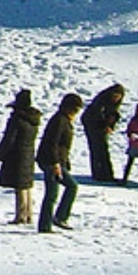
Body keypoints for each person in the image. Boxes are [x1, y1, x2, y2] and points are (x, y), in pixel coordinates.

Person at [36, 92, 84, 233]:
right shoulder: (59, 120)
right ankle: (50, 222)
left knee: (60, 190)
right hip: (51, 161)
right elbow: (52, 143)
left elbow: (63, 145)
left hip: (56, 161)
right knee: (57, 192)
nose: (76, 113)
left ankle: (54, 220)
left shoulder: (64, 120)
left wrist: (64, 162)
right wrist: (56, 163)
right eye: (75, 109)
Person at [0, 88, 41, 225]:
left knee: (19, 187)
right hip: (28, 155)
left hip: (16, 156)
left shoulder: (16, 120)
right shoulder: (34, 119)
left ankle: (20, 216)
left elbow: (9, 139)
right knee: (26, 186)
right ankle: (29, 214)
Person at [81, 83, 125, 182]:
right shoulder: (100, 101)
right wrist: (104, 126)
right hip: (92, 124)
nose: (116, 98)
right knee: (97, 148)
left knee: (103, 149)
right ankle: (100, 174)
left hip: (100, 125)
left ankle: (106, 174)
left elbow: (113, 115)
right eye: (114, 96)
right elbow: (96, 115)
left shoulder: (113, 105)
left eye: (118, 97)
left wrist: (110, 126)